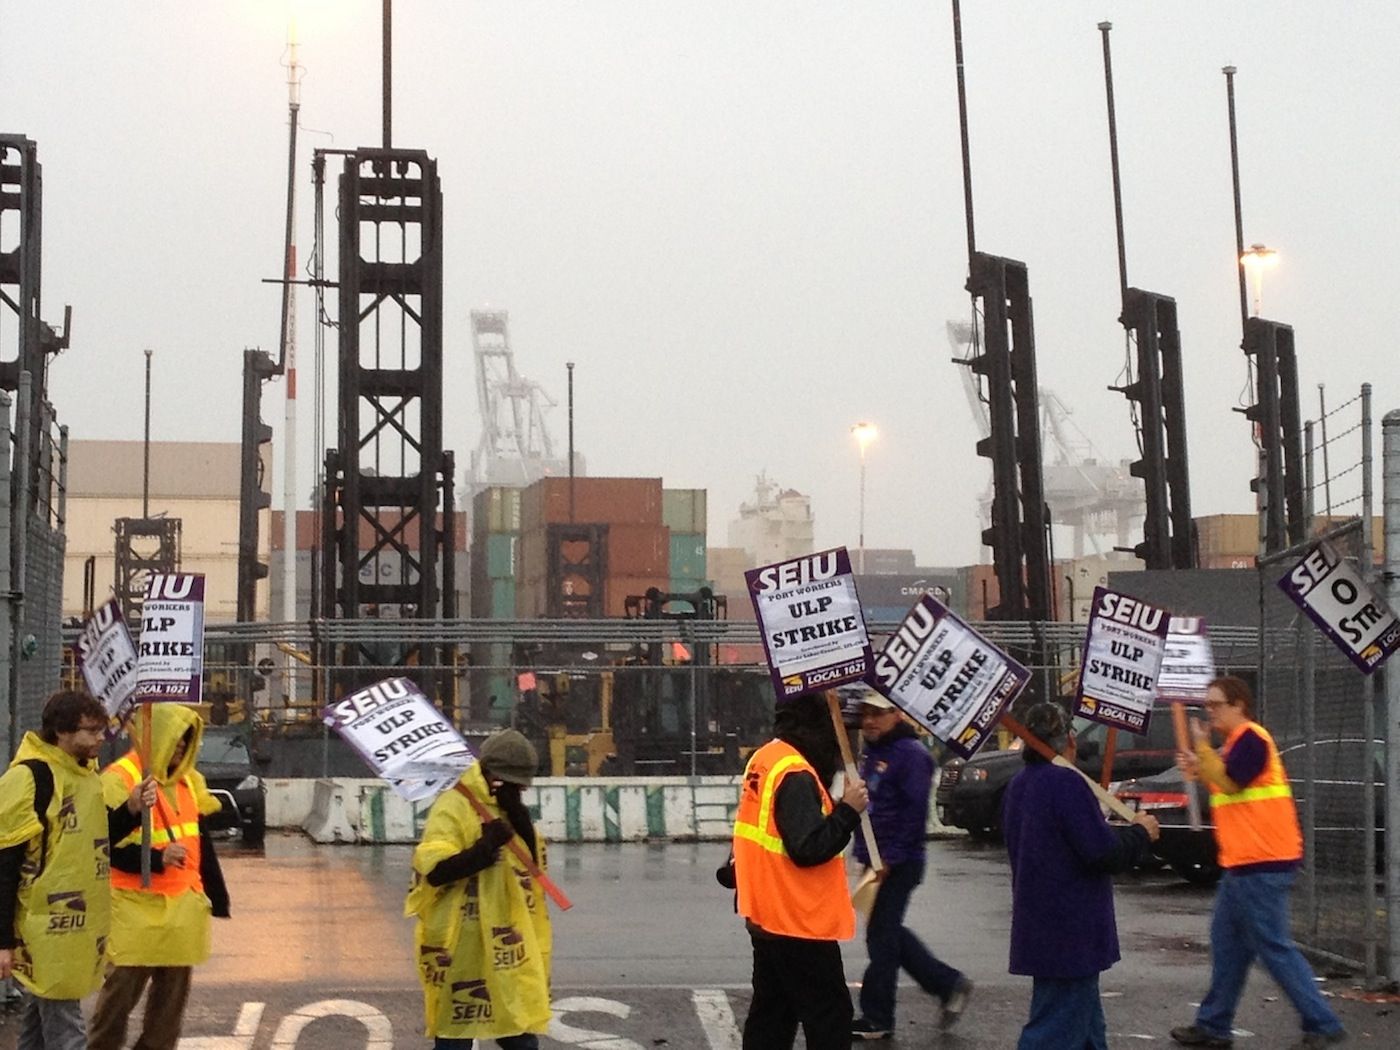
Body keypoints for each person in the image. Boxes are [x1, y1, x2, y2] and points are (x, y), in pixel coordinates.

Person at [1169, 676, 1346, 1050]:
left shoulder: (1251, 738)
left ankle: (1322, 1022)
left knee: (1272, 947)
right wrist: (1200, 764)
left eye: (1216, 705)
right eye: (1208, 705)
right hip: (1247, 863)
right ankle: (1213, 1025)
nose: (1209, 711)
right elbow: (1228, 781)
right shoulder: (1237, 745)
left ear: (1239, 705)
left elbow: (1233, 784)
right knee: (1229, 946)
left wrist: (1201, 751)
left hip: (1262, 861)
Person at [1002, 701, 1160, 1050]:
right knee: (1053, 1030)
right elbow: (1103, 853)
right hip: (1071, 929)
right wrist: (1139, 833)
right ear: (1069, 740)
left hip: (1041, 922)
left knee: (1086, 1028)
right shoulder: (1066, 784)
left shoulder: (1019, 785)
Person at [0, 690, 152, 1050]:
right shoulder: (31, 779)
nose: (101, 738)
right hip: (44, 928)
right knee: (67, 1030)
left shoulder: (84, 776)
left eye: (103, 730)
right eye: (91, 731)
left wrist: (130, 809)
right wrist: (3, 941)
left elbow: (95, 839)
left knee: (41, 1023)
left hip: (75, 928)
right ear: (61, 733)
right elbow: (4, 866)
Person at [88, 703, 230, 1050]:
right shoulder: (119, 779)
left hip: (181, 911)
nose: (180, 746)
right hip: (133, 909)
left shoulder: (187, 780)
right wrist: (155, 859)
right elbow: (100, 846)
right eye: (176, 737)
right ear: (155, 736)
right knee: (118, 1001)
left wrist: (216, 894)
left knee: (169, 1010)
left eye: (187, 739)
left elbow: (201, 843)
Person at [731, 691, 868, 1050]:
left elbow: (761, 832)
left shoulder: (767, 758)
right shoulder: (796, 773)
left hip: (766, 916)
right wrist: (848, 812)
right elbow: (808, 847)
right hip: (798, 920)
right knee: (830, 1018)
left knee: (772, 1017)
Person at [406, 729, 551, 1050]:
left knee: (517, 1028)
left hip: (505, 944)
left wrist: (516, 818)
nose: (520, 789)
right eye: (512, 782)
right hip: (460, 943)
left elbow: (532, 868)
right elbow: (436, 872)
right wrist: (484, 848)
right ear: (488, 774)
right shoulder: (453, 806)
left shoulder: (505, 806)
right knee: (455, 1035)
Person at [850, 691, 971, 1040]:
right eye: (866, 713)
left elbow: (913, 816)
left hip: (897, 863)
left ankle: (878, 1016)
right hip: (876, 861)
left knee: (882, 939)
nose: (870, 720)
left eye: (878, 713)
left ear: (897, 715)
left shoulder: (911, 756)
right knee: (884, 934)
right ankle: (948, 985)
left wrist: (890, 858)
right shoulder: (874, 752)